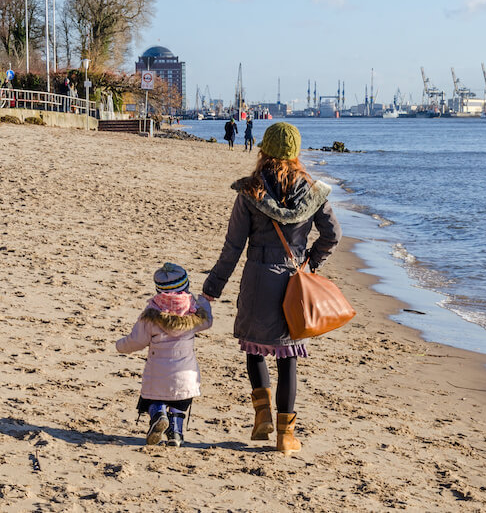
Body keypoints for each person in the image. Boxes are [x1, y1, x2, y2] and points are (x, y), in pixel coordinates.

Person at [203, 122, 341, 455]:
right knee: (288, 359)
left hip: (257, 278)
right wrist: (311, 263)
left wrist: (212, 289)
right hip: (293, 281)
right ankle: (285, 436)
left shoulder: (250, 191)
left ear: (264, 149)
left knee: (254, 349)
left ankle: (262, 414)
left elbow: (233, 247)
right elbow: (332, 235)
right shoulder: (313, 191)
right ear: (295, 153)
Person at [116, 263, 213, 447]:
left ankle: (158, 414)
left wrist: (120, 346)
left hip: (158, 372)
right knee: (181, 400)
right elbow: (207, 321)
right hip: (186, 373)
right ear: (185, 286)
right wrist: (204, 301)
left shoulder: (151, 315)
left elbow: (136, 340)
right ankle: (176, 432)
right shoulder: (194, 313)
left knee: (152, 398)